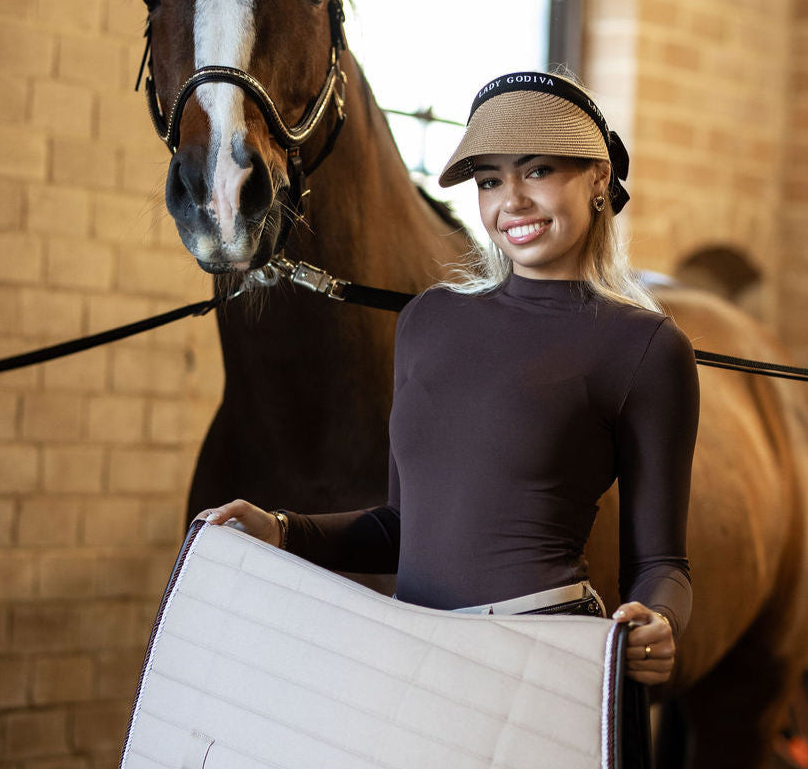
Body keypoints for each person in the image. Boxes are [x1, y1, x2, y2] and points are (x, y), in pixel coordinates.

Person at [208, 70, 699, 688]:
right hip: (416, 659)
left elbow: (662, 562)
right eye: (490, 180)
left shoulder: (647, 347)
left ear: (598, 177)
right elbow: (400, 527)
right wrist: (280, 528)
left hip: (546, 662)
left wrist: (658, 619)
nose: (511, 200)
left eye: (538, 170)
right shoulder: (427, 320)